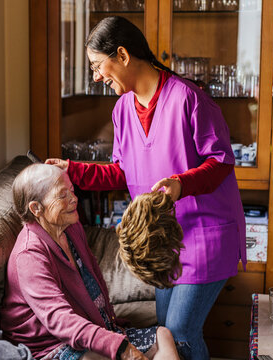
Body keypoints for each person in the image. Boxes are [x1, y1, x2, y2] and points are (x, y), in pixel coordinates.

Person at [46, 16, 246, 360]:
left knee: (181, 334)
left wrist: (180, 184)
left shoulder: (190, 99)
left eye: (98, 65)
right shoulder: (123, 109)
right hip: (162, 242)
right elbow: (123, 173)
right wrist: (72, 170)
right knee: (166, 329)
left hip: (204, 236)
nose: (96, 76)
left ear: (122, 55)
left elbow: (222, 161)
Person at [0, 163, 180, 360]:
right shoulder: (29, 256)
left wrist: (111, 324)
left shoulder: (71, 226)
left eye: (71, 190)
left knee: (163, 335)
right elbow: (61, 321)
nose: (74, 199)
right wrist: (122, 348)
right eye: (62, 195)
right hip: (51, 346)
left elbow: (95, 278)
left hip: (91, 329)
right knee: (95, 357)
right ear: (36, 208)